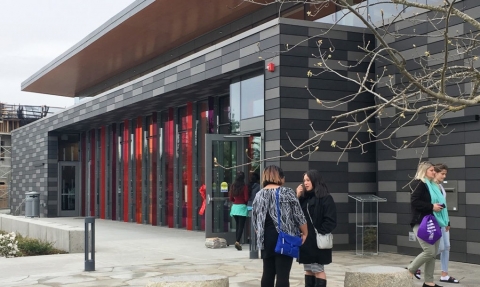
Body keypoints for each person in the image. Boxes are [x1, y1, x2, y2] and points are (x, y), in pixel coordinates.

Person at [252, 165, 308, 287]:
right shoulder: (287, 192)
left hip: (265, 239)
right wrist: (305, 232)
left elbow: (255, 220)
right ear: (280, 177)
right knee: (283, 274)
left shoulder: (259, 195)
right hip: (284, 237)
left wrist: (260, 232)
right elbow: (298, 215)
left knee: (267, 273)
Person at [407, 162, 449, 287]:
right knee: (429, 252)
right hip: (421, 222)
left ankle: (429, 282)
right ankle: (410, 270)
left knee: (433, 253)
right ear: (424, 171)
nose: (434, 172)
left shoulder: (433, 185)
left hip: (433, 222)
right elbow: (415, 202)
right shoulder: (420, 183)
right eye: (431, 170)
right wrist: (431, 207)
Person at [296, 170, 337, 287]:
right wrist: (298, 197)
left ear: (315, 181)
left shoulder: (326, 198)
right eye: (304, 180)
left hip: (317, 241)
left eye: (308, 180)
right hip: (305, 241)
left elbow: (331, 221)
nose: (305, 183)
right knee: (308, 269)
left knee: (318, 269)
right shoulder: (304, 198)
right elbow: (296, 215)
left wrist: (319, 232)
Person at [433, 164, 459, 284]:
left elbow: (445, 206)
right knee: (440, 247)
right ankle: (417, 264)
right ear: (435, 173)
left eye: (445, 174)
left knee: (447, 247)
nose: (444, 176)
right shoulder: (431, 187)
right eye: (442, 173)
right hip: (435, 221)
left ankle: (444, 274)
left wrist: (448, 221)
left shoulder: (441, 186)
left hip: (444, 221)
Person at [229, 171, 249, 251]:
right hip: (242, 207)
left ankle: (237, 240)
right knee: (241, 226)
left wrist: (235, 200)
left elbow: (231, 198)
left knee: (237, 225)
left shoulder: (233, 186)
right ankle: (237, 241)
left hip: (234, 208)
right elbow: (246, 198)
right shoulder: (244, 187)